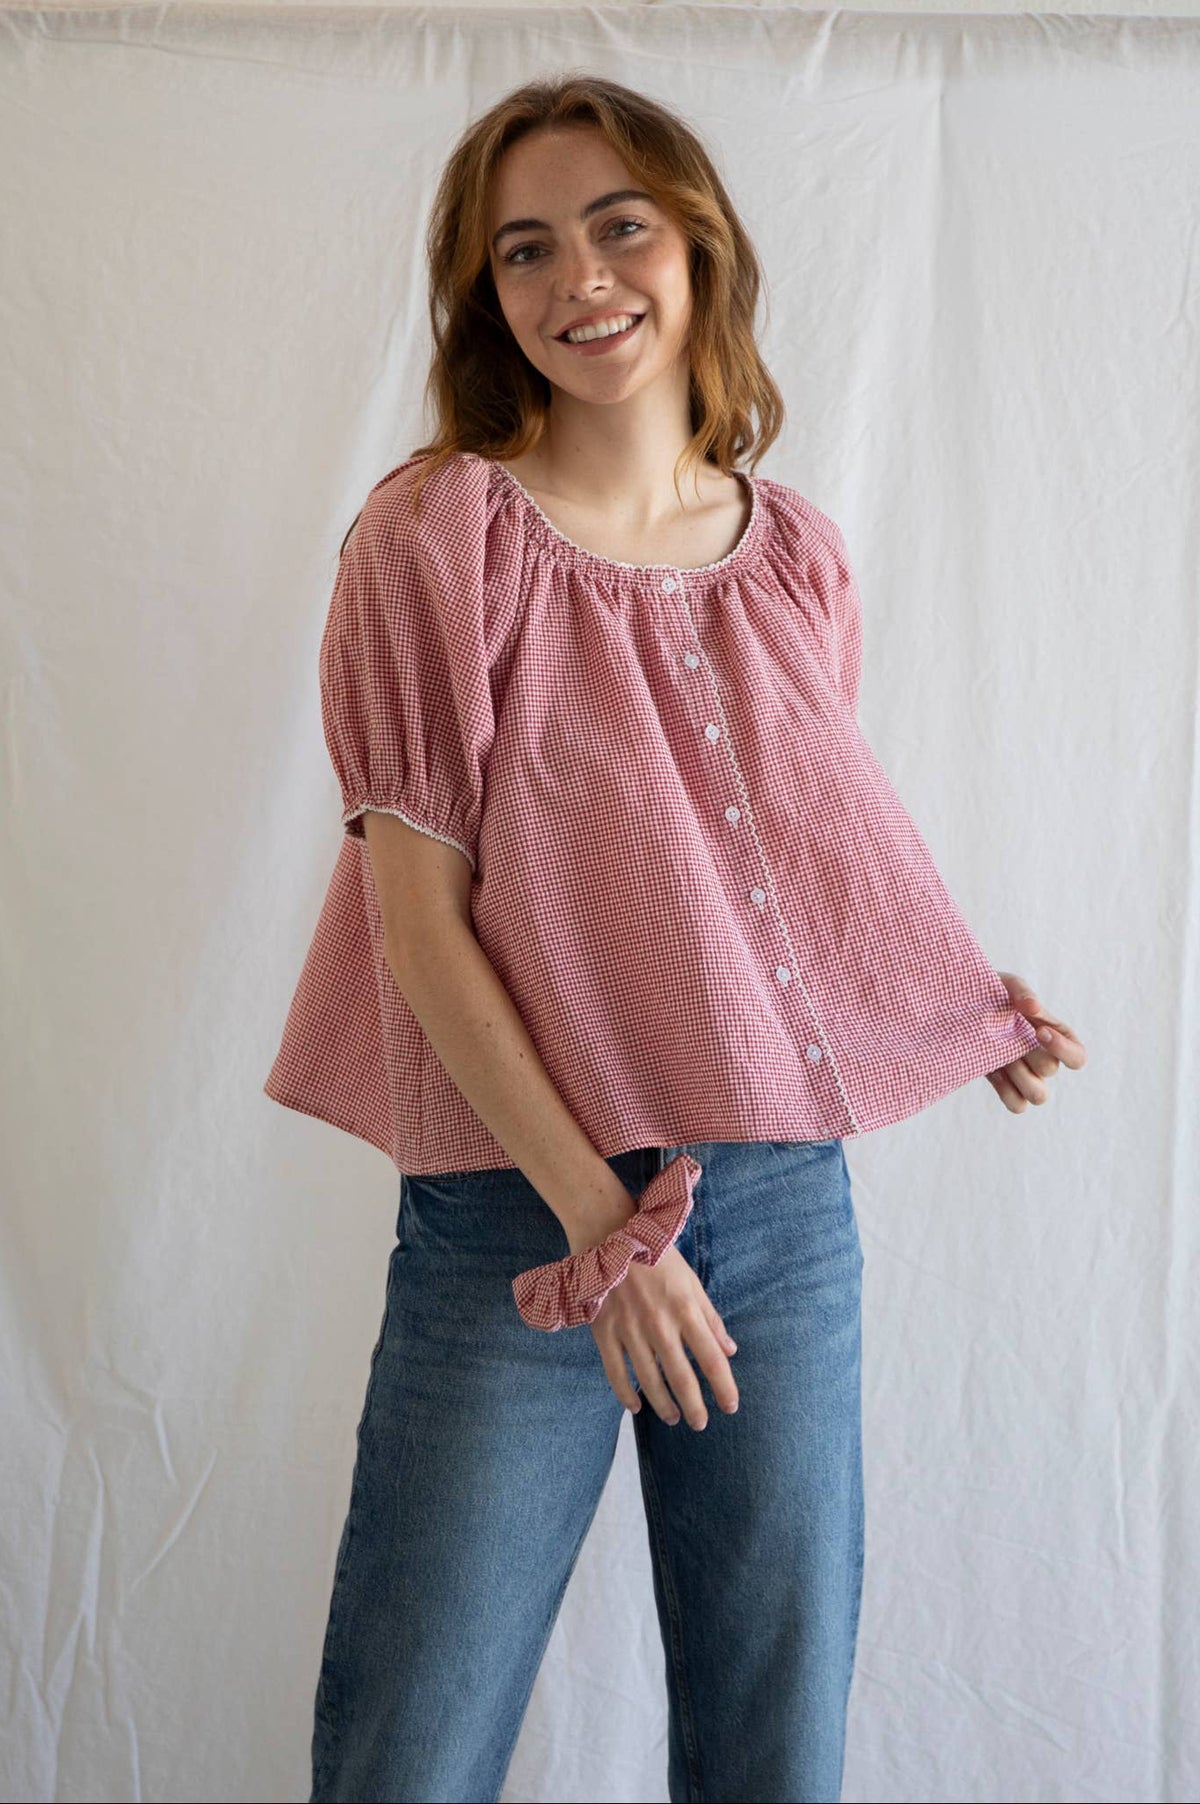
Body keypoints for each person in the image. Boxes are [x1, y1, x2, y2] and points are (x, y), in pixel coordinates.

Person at [264, 73, 1083, 1804]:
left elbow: (777, 879)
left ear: (698, 243)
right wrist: (600, 1227)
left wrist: (956, 1012)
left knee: (774, 1749)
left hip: (780, 1210)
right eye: (527, 251)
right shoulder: (438, 538)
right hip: (520, 1213)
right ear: (485, 297)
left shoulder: (795, 556)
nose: (584, 280)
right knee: (411, 1747)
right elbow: (419, 926)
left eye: (621, 225)